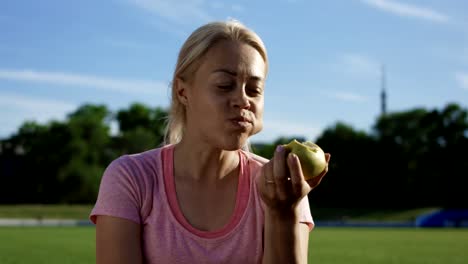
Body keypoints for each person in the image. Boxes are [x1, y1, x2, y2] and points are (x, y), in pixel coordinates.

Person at [90, 19, 330, 264]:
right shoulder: (131, 178)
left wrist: (283, 213)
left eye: (254, 89)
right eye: (225, 85)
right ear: (183, 92)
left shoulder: (282, 188)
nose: (243, 100)